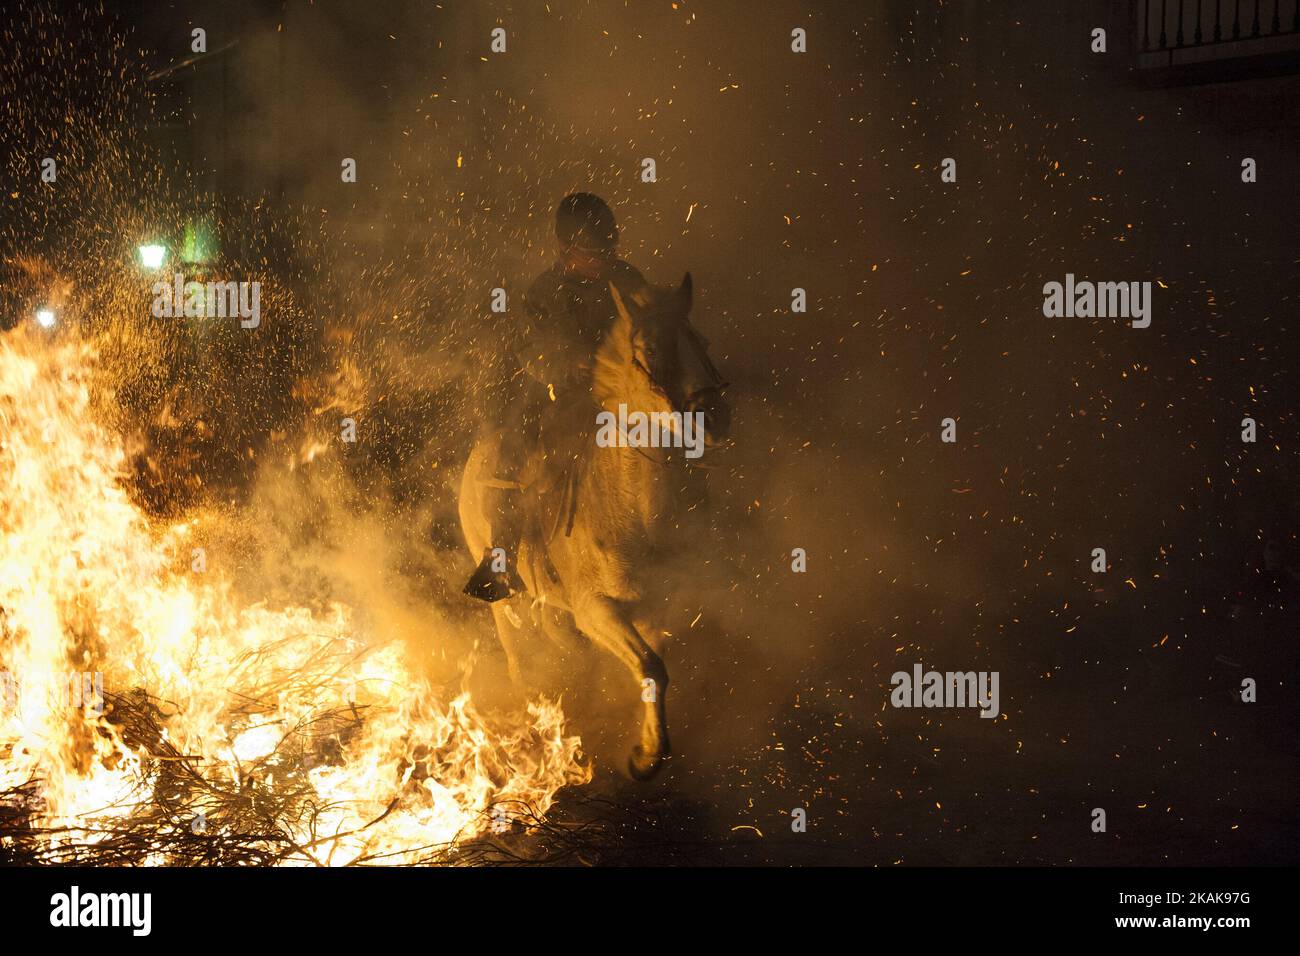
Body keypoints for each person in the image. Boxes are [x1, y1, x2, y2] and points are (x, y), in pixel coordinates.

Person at [464, 193, 646, 601]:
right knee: (515, 444)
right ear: (566, 250)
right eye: (592, 253)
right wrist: (568, 367)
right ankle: (501, 559)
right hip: (561, 393)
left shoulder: (629, 280)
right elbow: (532, 350)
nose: (602, 259)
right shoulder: (545, 291)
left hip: (630, 389)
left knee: (682, 427)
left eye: (608, 250)